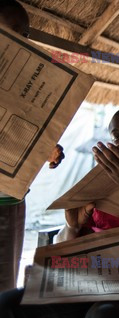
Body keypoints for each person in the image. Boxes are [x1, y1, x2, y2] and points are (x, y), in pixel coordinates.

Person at [0, 107, 119, 318]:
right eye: (118, 136)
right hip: (86, 280)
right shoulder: (101, 179)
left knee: (103, 315)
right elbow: (64, 249)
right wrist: (72, 227)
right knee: (7, 305)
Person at [0, 0, 64, 292]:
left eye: (25, 34)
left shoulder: (26, 80)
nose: (23, 41)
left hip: (10, 203)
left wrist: (46, 147)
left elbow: (23, 132)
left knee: (4, 289)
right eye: (15, 32)